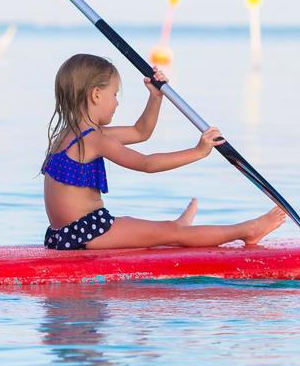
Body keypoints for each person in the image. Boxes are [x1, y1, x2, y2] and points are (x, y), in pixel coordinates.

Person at [40, 53, 285, 251]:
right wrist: (198, 152)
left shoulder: (69, 135)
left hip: (62, 236)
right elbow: (146, 164)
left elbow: (140, 132)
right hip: (88, 233)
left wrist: (155, 97)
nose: (116, 102)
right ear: (96, 94)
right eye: (114, 95)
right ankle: (246, 230)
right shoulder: (95, 139)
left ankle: (175, 229)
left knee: (160, 230)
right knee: (174, 233)